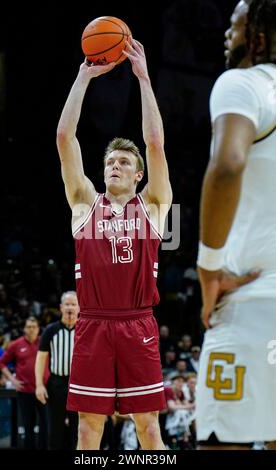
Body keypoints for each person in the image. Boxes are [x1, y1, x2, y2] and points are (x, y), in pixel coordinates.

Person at [56, 39, 173, 450]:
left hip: (138, 323)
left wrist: (143, 78)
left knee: (149, 429)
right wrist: (82, 77)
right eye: (109, 161)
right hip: (93, 323)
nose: (114, 165)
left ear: (138, 174)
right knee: (89, 430)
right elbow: (65, 137)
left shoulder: (155, 206)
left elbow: (155, 144)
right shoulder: (85, 204)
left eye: (124, 162)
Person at [196, 0, 276, 450]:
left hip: (253, 305)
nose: (228, 32)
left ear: (258, 36)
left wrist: (209, 268)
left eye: (235, 23)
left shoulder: (242, 82)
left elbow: (227, 165)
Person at [35, 291, 79, 449]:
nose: (70, 308)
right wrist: (39, 385)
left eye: (73, 304)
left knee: (79, 430)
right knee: (55, 430)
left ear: (79, 308)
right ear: (61, 307)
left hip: (78, 385)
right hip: (56, 384)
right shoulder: (50, 330)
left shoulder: (85, 330)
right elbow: (40, 358)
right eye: (67, 304)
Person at [0, 316, 49, 449]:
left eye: (34, 327)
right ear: (24, 329)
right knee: (28, 425)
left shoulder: (45, 342)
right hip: (25, 392)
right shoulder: (16, 344)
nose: (31, 329)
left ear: (38, 329)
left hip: (44, 390)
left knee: (46, 424)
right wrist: (12, 380)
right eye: (28, 327)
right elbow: (2, 363)